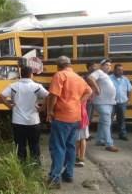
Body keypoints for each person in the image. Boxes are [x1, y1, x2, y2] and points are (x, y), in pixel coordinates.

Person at [47, 56, 92, 189]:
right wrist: (79, 102)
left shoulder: (59, 75)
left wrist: (50, 111)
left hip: (62, 117)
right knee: (70, 146)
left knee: (58, 147)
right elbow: (89, 91)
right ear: (69, 64)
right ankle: (68, 174)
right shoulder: (78, 77)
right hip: (76, 117)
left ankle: (54, 179)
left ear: (58, 66)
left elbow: (53, 95)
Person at [0, 66, 48, 163]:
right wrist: (42, 108)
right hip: (33, 121)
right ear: (31, 74)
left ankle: (22, 167)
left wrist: (9, 105)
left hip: (18, 121)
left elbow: (1, 96)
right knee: (34, 145)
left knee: (20, 145)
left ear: (21, 74)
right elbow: (48, 96)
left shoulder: (13, 86)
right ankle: (35, 166)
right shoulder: (37, 86)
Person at [87, 58, 119, 152]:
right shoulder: (98, 72)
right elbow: (90, 78)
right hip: (101, 102)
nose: (109, 67)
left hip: (108, 102)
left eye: (110, 65)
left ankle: (100, 140)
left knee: (103, 121)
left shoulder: (106, 75)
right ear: (102, 66)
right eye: (106, 65)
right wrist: (96, 88)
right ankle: (109, 143)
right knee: (106, 122)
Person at [110, 64, 132, 141]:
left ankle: (122, 134)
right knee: (109, 120)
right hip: (112, 103)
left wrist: (128, 100)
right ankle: (108, 135)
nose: (121, 71)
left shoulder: (125, 79)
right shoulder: (109, 78)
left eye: (122, 70)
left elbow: (129, 90)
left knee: (122, 119)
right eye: (119, 70)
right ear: (114, 70)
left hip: (122, 102)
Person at [75, 101, 90, 167]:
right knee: (82, 138)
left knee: (77, 139)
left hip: (78, 116)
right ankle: (80, 158)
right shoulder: (86, 91)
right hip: (84, 116)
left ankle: (78, 157)